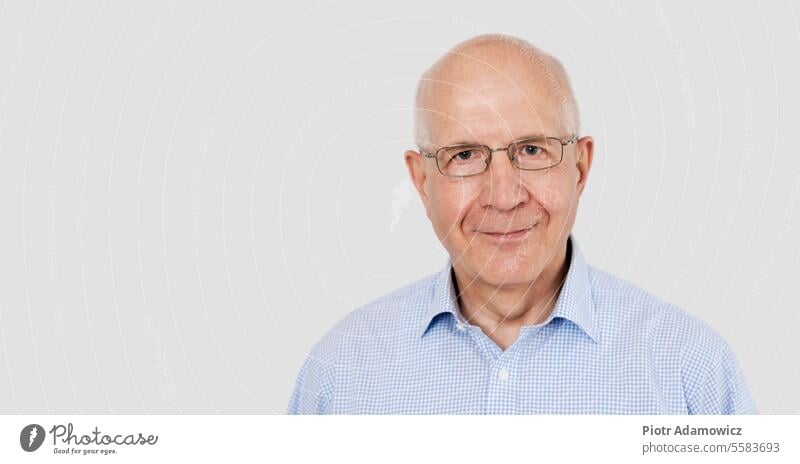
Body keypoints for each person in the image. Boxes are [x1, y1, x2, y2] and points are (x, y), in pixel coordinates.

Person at [287, 34, 757, 414]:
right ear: (421, 179)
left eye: (532, 150)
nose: (504, 195)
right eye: (465, 155)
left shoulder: (688, 370)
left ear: (580, 166)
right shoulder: (340, 372)